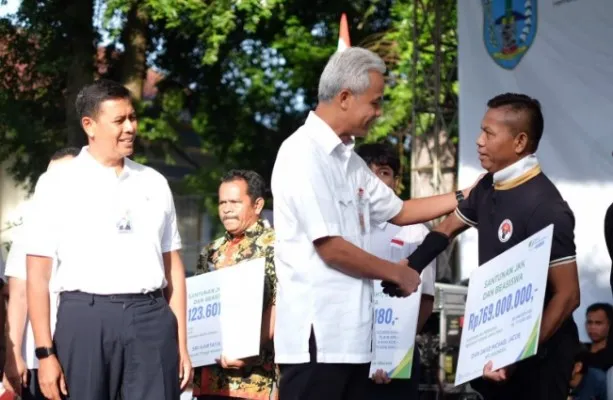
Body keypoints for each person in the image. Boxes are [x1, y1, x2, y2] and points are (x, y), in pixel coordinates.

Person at [270, 47, 477, 400]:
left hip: (355, 341)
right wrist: (397, 272)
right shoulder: (301, 154)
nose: (379, 114)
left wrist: (466, 196)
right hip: (318, 340)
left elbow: (400, 211)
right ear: (345, 97)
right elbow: (332, 248)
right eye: (375, 103)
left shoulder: (348, 161)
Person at [384, 93, 580, 399]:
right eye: (480, 130)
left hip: (541, 355)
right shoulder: (488, 185)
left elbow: (568, 296)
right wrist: (410, 267)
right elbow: (447, 228)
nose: (478, 141)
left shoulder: (546, 207)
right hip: (495, 345)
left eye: (489, 133)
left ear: (519, 142)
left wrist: (519, 352)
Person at [24, 79, 191, 400]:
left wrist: (182, 343)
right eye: (119, 121)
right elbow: (37, 274)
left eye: (133, 117)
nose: (130, 127)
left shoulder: (154, 183)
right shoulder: (58, 182)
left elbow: (174, 271)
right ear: (90, 125)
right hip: (86, 319)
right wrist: (45, 354)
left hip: (151, 319)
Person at [355, 143, 436, 399]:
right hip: (347, 353)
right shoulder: (344, 229)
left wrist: (393, 355)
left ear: (396, 181)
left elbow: (425, 300)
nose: (376, 180)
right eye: (368, 173)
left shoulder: (416, 231)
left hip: (397, 360)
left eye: (384, 172)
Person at [192, 169, 277, 400]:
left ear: (257, 205)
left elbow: (281, 306)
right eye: (222, 202)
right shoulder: (210, 251)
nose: (226, 209)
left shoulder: (276, 247)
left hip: (254, 379)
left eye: (235, 202)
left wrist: (246, 351)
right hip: (209, 377)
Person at [3, 147, 80, 399]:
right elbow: (19, 295)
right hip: (38, 358)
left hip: (86, 352)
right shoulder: (31, 229)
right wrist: (13, 356)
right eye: (48, 178)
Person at [583, 303, 613, 372]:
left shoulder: (610, 356)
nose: (592, 327)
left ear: (609, 325)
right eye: (589, 322)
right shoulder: (578, 349)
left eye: (598, 323)